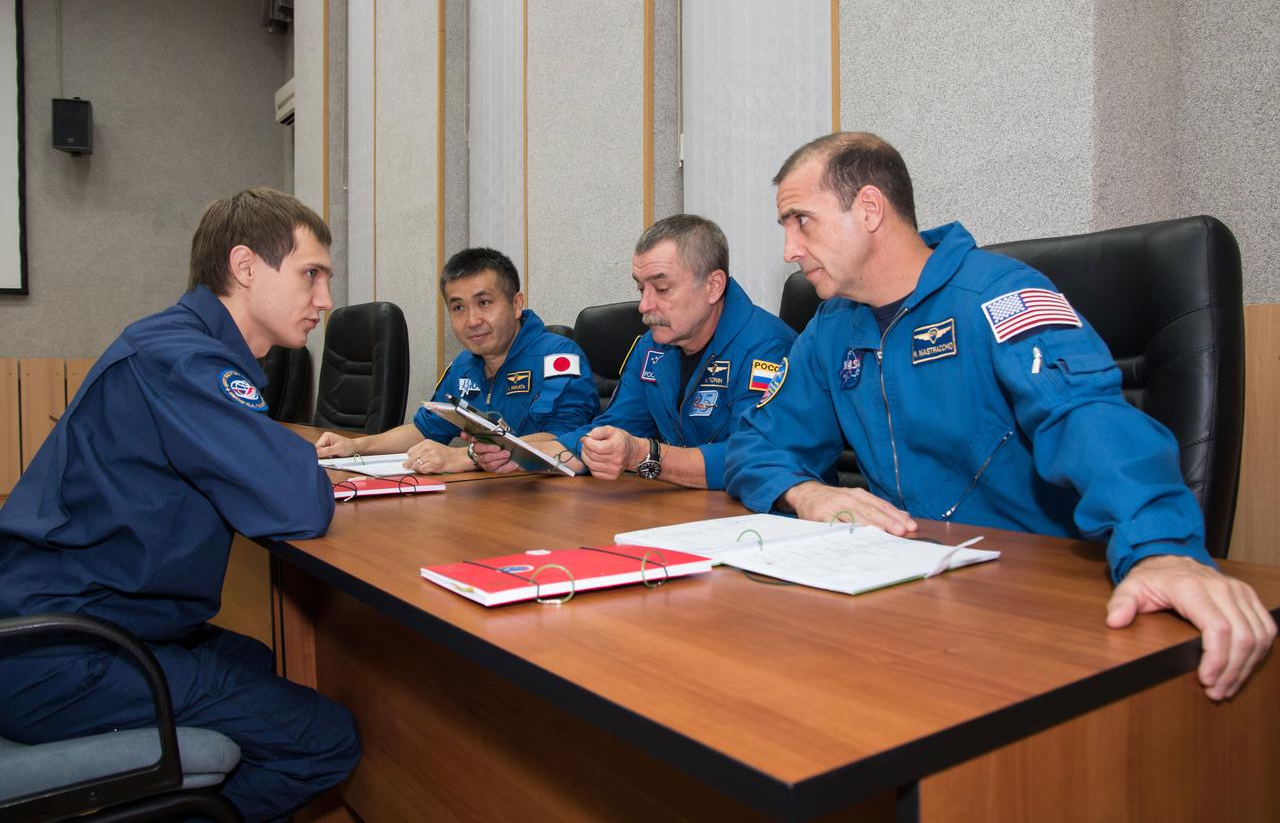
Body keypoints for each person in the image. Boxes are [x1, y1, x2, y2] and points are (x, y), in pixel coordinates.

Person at [725, 131, 1275, 701]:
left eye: (801, 220)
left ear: (868, 209)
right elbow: (756, 444)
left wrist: (1164, 550)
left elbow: (1089, 419)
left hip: (1033, 602)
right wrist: (804, 493)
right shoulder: (834, 328)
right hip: (902, 597)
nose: (789, 248)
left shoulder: (998, 297)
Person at [0, 188, 360, 821]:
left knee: (255, 659)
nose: (325, 300)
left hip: (66, 627)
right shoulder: (185, 359)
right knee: (323, 742)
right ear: (246, 268)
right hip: (61, 655)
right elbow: (297, 503)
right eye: (312, 274)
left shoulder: (179, 343)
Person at [475, 214, 796, 489]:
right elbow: (613, 429)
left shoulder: (766, 348)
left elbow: (755, 456)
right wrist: (521, 456)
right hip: (687, 513)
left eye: (662, 288)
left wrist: (647, 455)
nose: (644, 306)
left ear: (713, 286)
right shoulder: (653, 347)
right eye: (641, 289)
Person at [313, 247, 599, 471]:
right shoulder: (464, 365)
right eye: (458, 307)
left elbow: (565, 439)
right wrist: (357, 446)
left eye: (484, 303)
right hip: (487, 500)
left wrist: (465, 456)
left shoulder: (558, 358)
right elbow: (425, 429)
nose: (472, 320)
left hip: (549, 502)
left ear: (516, 304)